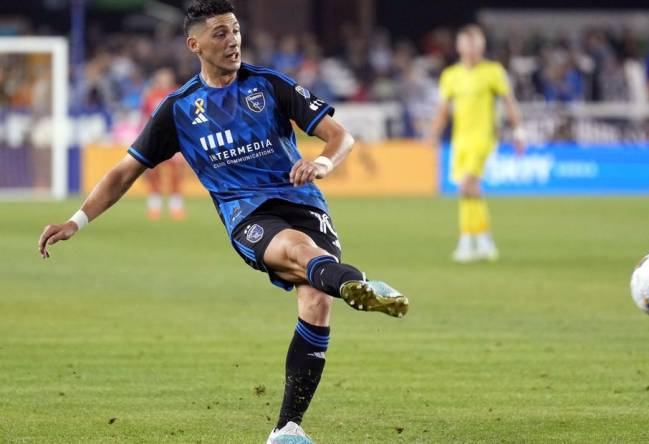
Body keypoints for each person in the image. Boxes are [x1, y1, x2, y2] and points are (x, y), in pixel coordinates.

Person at [36, 1, 409, 442]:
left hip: (305, 202)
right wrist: (77, 221)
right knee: (297, 251)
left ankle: (287, 430)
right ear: (194, 44)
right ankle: (358, 283)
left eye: (235, 30)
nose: (232, 40)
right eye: (219, 33)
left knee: (317, 301)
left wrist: (324, 163)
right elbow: (125, 170)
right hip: (247, 214)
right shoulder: (179, 109)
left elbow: (340, 136)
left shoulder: (269, 84)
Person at [427, 24, 525, 263]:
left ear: (481, 46)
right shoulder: (451, 75)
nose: (471, 49)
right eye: (466, 43)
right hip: (461, 141)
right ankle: (482, 241)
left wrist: (518, 131)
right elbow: (443, 109)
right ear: (459, 46)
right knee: (468, 190)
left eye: (475, 44)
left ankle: (468, 241)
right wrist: (433, 133)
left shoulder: (493, 71)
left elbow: (509, 102)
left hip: (484, 139)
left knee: (467, 185)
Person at [140, 67, 187, 220]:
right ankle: (154, 208)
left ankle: (176, 208)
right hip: (154, 140)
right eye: (161, 77)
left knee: (175, 175)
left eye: (166, 77)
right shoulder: (150, 95)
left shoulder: (177, 93)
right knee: (153, 175)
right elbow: (145, 118)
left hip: (174, 139)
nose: (164, 80)